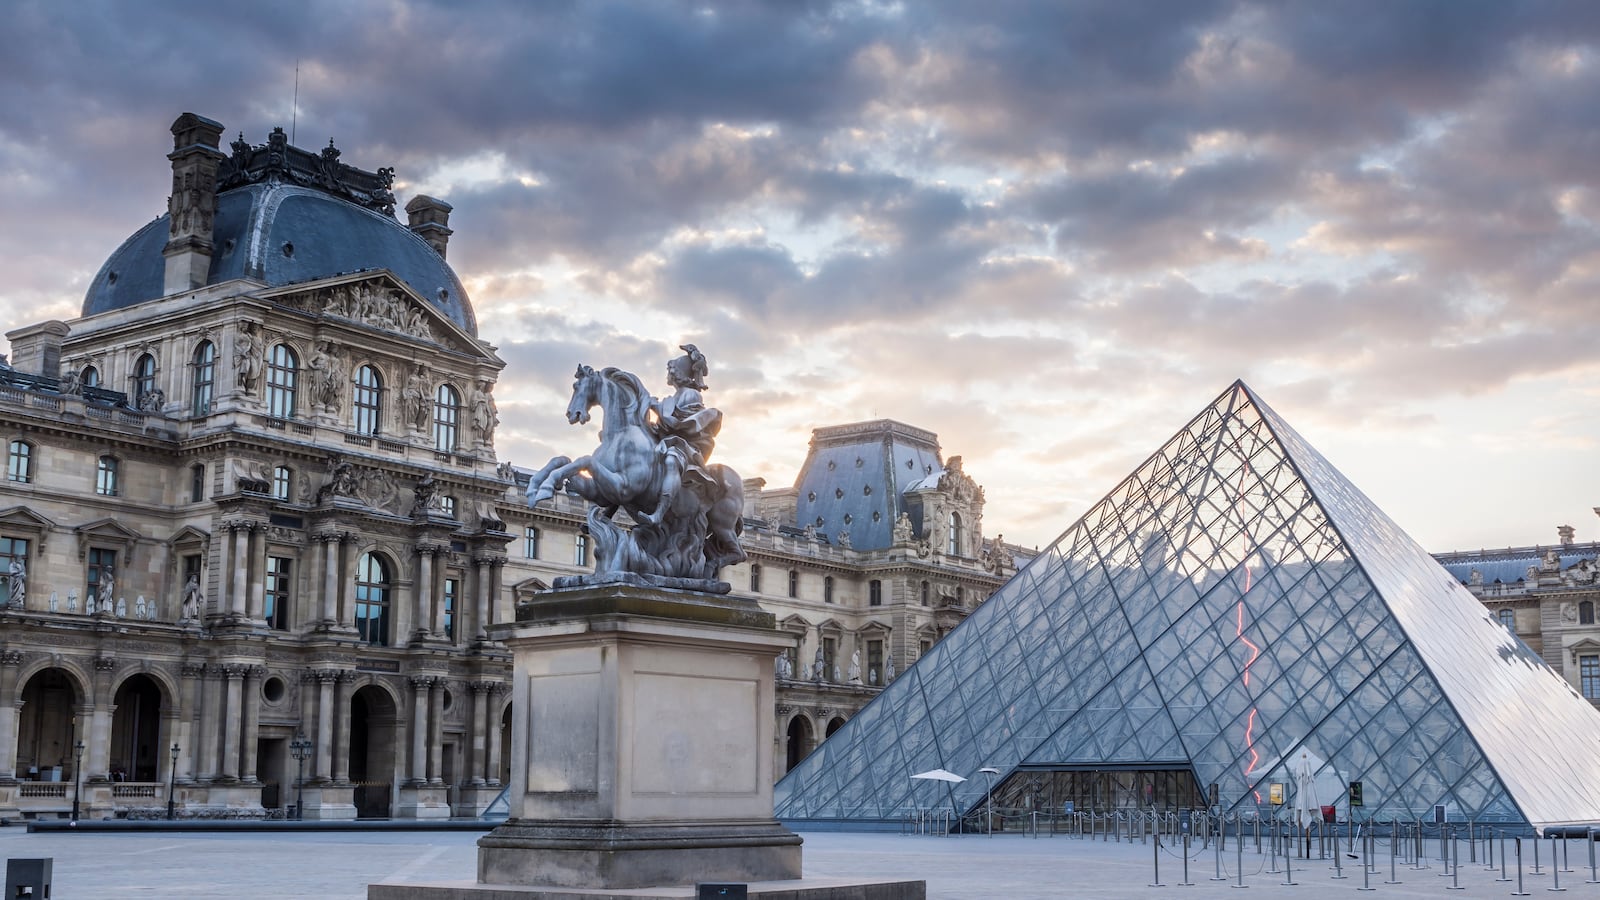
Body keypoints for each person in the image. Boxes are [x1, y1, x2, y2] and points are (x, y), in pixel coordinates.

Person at [640, 344, 723, 526]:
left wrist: (656, 408)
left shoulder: (691, 395)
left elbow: (681, 424)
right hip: (671, 441)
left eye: (670, 370)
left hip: (687, 447)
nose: (668, 374)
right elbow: (665, 425)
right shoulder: (673, 398)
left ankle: (658, 513)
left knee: (671, 461)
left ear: (678, 373)